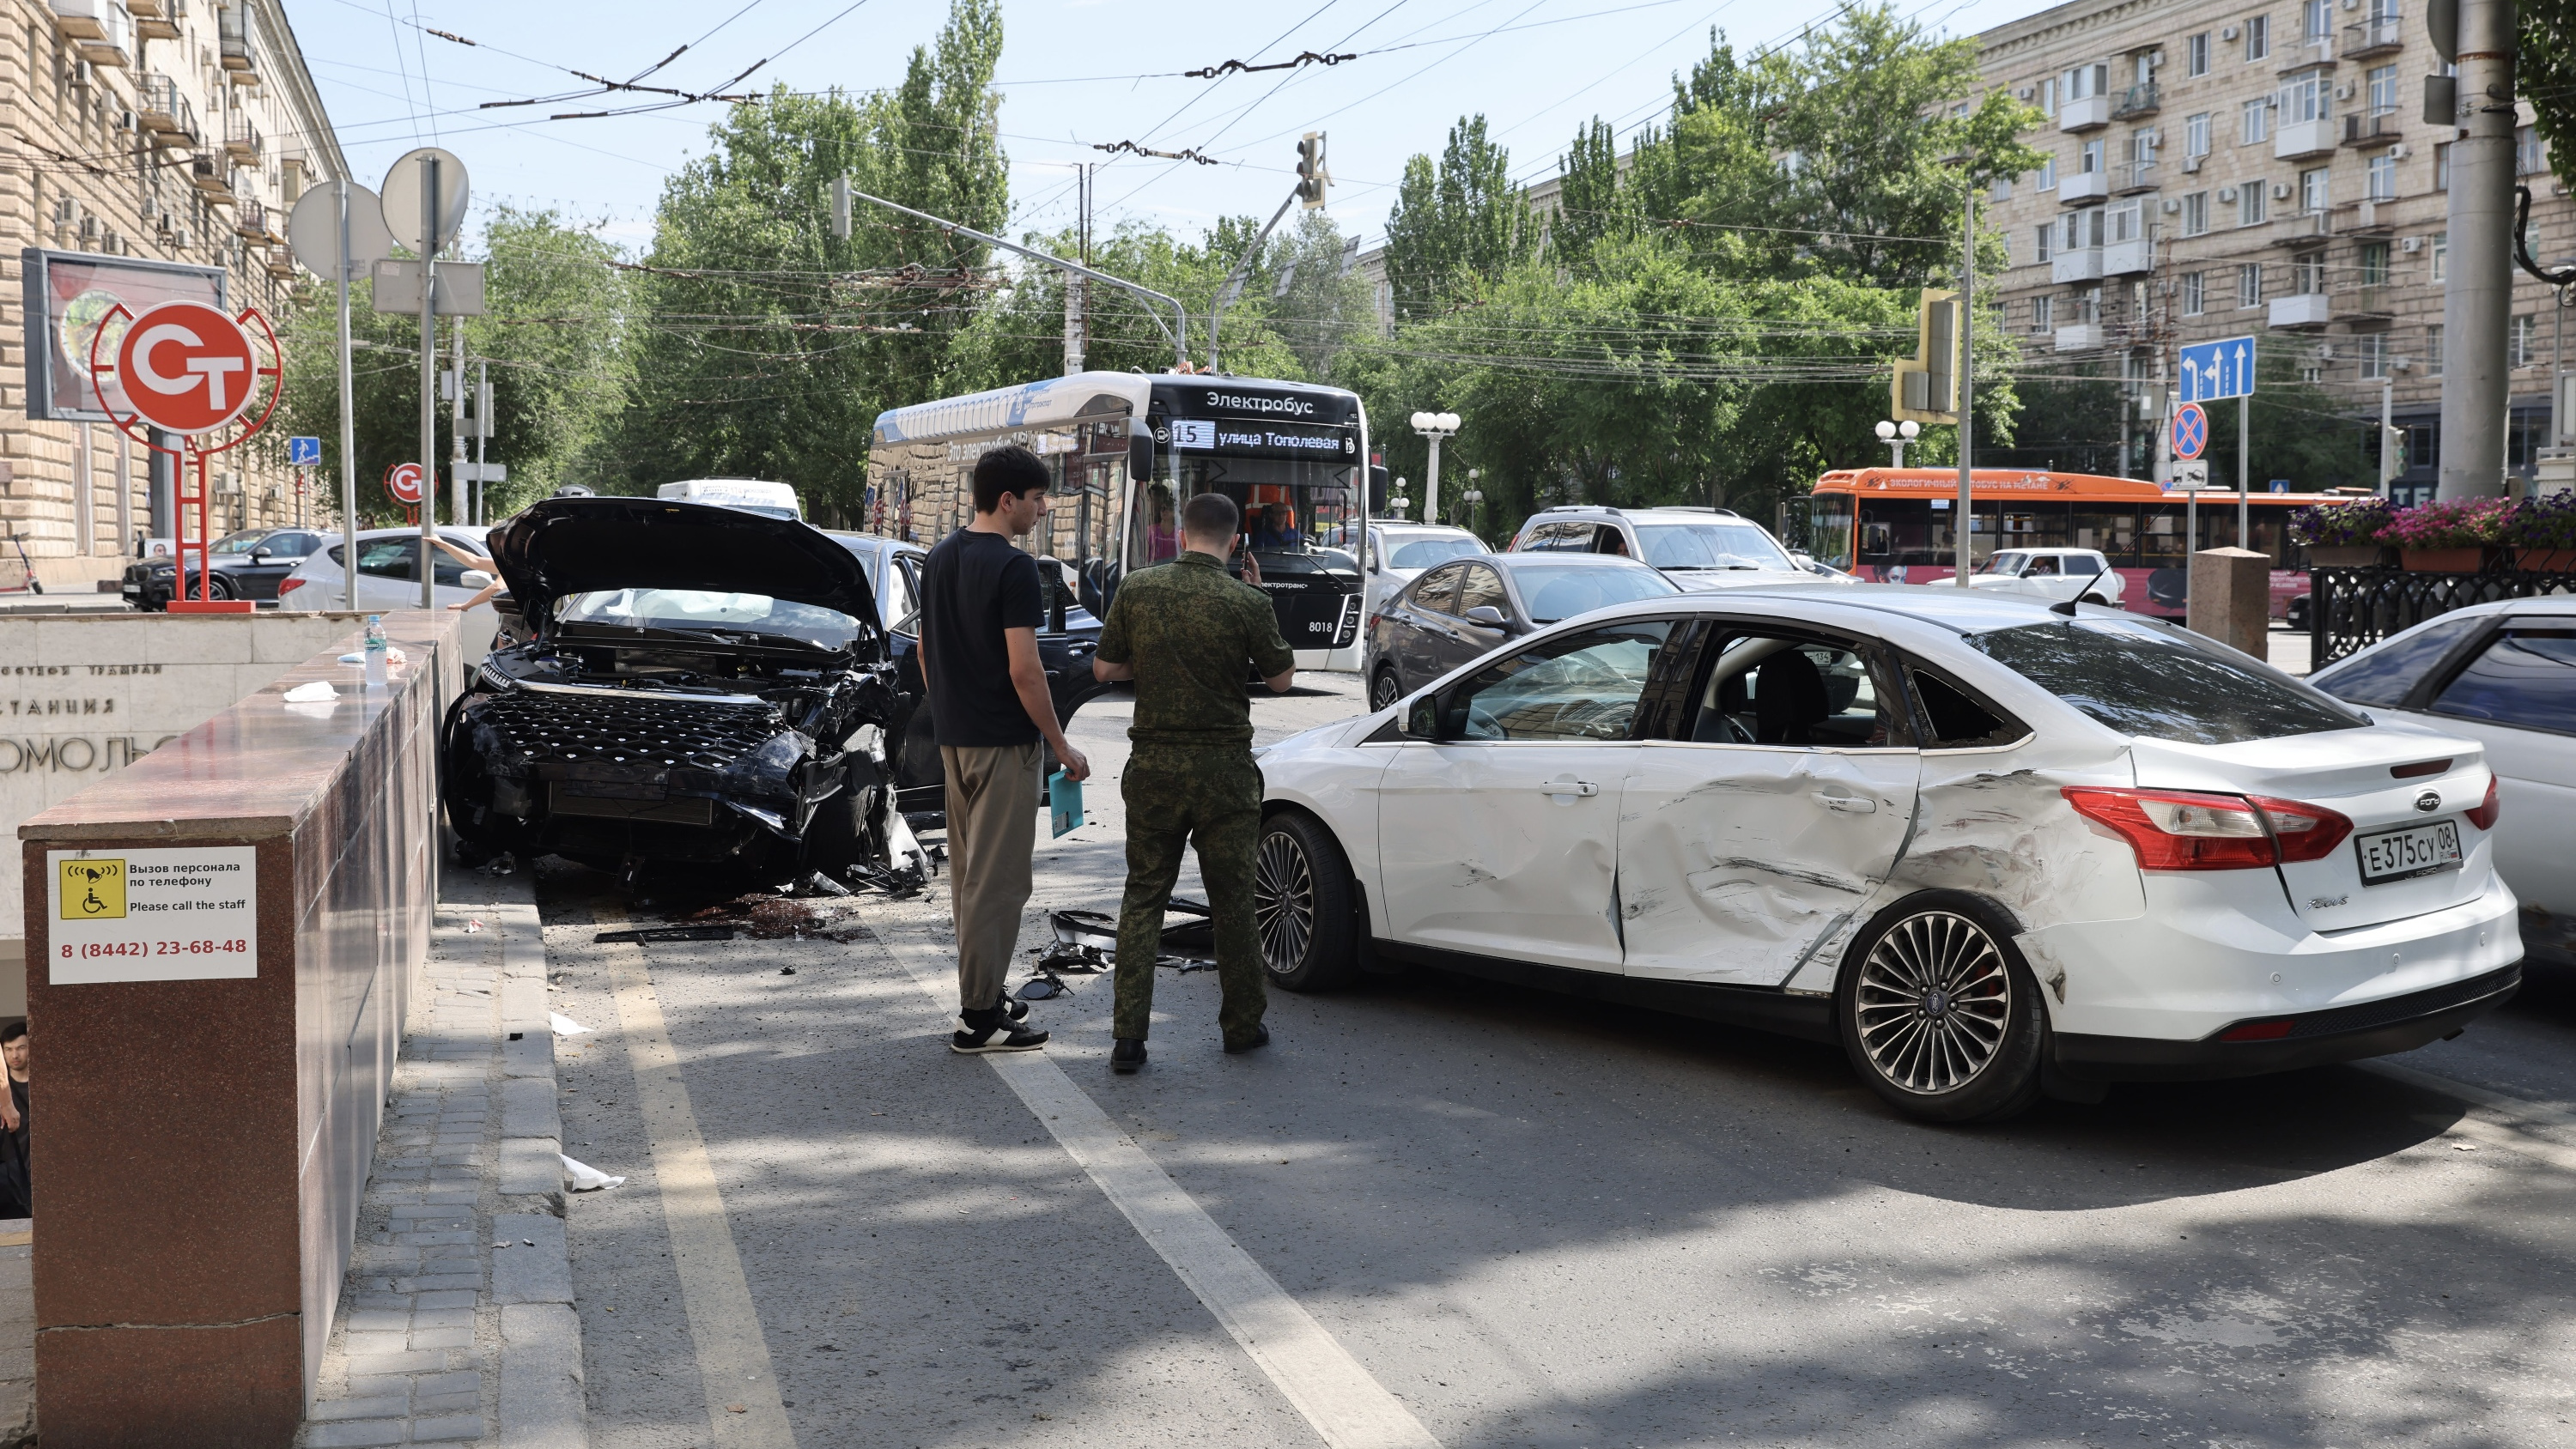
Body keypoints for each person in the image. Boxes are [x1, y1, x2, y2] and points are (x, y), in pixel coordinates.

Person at [1092, 492, 1296, 1073]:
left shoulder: (1138, 587)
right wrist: (1260, 601)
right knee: (1233, 901)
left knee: (1144, 896)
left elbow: (1105, 669)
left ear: (1182, 534)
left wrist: (1153, 661)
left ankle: (1129, 1038)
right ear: (1235, 543)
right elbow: (1281, 681)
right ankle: (1241, 1026)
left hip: (1154, 769)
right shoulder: (1245, 600)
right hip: (1224, 775)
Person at [920, 446, 1092, 1054]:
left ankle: (984, 999)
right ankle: (978, 1018)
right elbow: (1026, 671)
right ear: (1008, 500)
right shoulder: (1015, 568)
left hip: (956, 740)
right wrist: (1060, 744)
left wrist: (952, 709)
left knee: (971, 879)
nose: (1044, 510)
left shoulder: (938, 557)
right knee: (1000, 884)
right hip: (1002, 745)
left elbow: (924, 653)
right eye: (1040, 498)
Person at [0, 1023, 28, 1219]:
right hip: (11, 1173)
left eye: (21, 1048)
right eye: (8, 1050)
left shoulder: (44, 1086)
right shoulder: (3, 1093)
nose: (14, 1055)